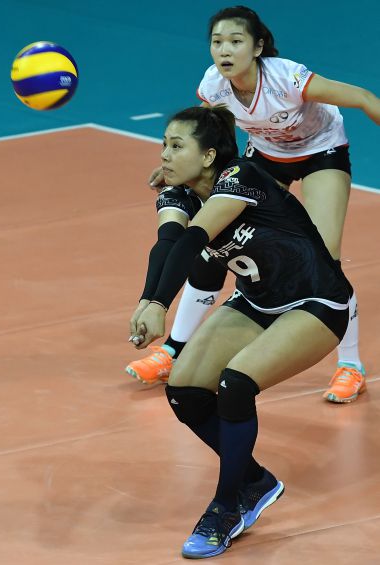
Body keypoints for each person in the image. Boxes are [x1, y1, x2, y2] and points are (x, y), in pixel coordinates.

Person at [129, 104, 352, 558]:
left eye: (177, 146)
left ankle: (226, 507)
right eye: (164, 144)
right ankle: (253, 480)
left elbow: (194, 239)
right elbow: (168, 243)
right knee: (185, 390)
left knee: (235, 384)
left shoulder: (241, 176)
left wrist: (160, 305)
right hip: (256, 302)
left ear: (209, 156)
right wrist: (147, 301)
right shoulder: (178, 193)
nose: (165, 155)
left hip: (316, 302)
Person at [126, 4, 380, 403]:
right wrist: (177, 166)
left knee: (325, 259)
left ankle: (350, 365)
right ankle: (173, 349)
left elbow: (363, 97)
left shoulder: (286, 79)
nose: (224, 50)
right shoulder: (214, 84)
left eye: (235, 41)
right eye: (217, 42)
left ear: (258, 47)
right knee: (211, 250)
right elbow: (209, 130)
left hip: (320, 151)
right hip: (265, 156)